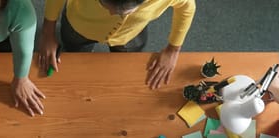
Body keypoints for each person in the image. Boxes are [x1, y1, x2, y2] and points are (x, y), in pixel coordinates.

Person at [38, 0, 196, 89]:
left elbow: (187, 7)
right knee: (76, 53)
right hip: (79, 26)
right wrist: (48, 32)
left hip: (129, 35)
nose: (111, 14)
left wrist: (173, 49)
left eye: (121, 12)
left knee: (124, 68)